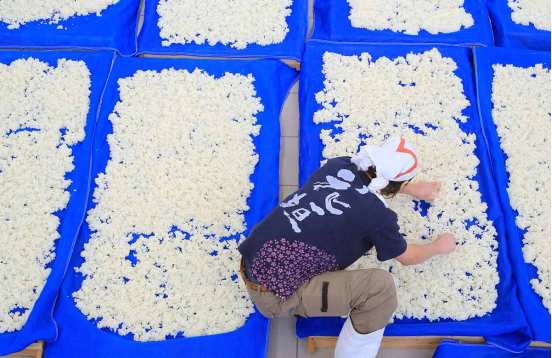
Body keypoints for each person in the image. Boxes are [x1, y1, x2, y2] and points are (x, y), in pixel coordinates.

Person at [238, 137, 457, 358]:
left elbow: (364, 186)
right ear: (395, 184)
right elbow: (407, 256)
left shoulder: (339, 164)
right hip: (273, 295)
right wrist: (437, 247)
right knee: (380, 289)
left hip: (253, 258)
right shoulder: (379, 217)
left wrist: (411, 189)